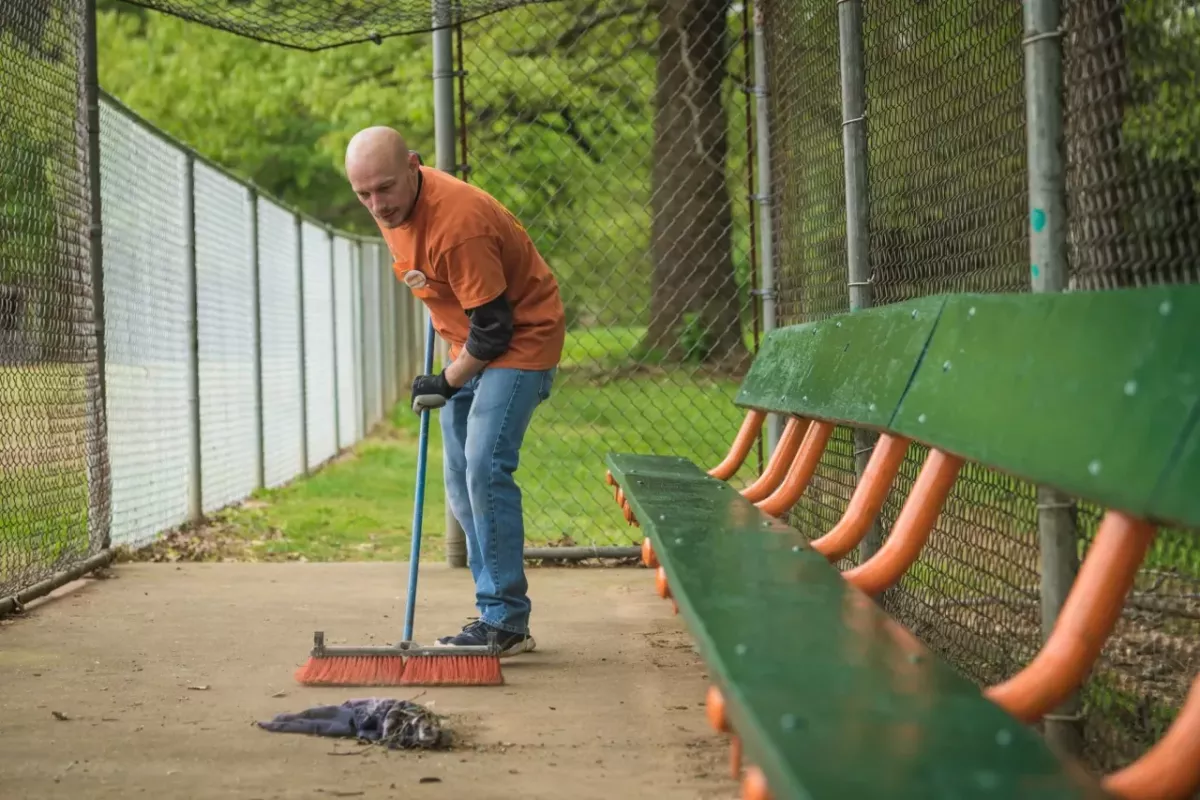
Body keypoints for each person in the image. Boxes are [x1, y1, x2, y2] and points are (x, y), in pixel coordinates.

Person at [343, 125, 565, 657]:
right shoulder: (392, 207)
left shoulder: (458, 222)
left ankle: (505, 621)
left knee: (485, 468)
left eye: (386, 188)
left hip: (519, 341)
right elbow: (435, 282)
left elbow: (494, 329)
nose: (377, 204)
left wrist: (445, 382)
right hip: (467, 343)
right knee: (461, 484)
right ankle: (497, 610)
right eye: (363, 194)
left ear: (414, 165)